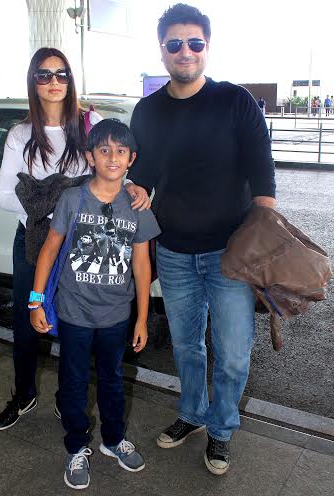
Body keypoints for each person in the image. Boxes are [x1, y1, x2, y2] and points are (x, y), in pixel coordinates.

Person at [127, 3, 276, 476]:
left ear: (207, 48)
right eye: (175, 44)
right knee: (188, 346)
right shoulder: (147, 111)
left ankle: (222, 430)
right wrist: (128, 189)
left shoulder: (235, 101)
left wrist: (262, 235)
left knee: (232, 352)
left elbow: (262, 172)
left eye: (194, 43)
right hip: (173, 252)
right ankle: (192, 414)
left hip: (230, 255)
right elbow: (143, 176)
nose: (185, 51)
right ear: (163, 51)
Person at [0, 47, 148, 432]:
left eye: (61, 74)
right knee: (30, 321)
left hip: (86, 242)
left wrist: (133, 187)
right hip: (34, 240)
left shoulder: (89, 122)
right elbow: (3, 196)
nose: (53, 82)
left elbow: (111, 168)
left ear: (70, 79)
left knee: (76, 326)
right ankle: (24, 393)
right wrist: (62, 197)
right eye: (43, 75)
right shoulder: (20, 134)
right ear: (33, 81)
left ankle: (70, 398)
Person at [29, 119, 160, 490]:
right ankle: (75, 446)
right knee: (72, 382)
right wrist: (35, 301)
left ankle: (113, 440)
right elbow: (50, 250)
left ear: (131, 159)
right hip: (74, 314)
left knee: (113, 381)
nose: (112, 157)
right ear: (90, 157)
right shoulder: (72, 199)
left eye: (120, 151)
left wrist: (142, 319)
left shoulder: (137, 204)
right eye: (104, 150)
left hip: (117, 316)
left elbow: (141, 264)